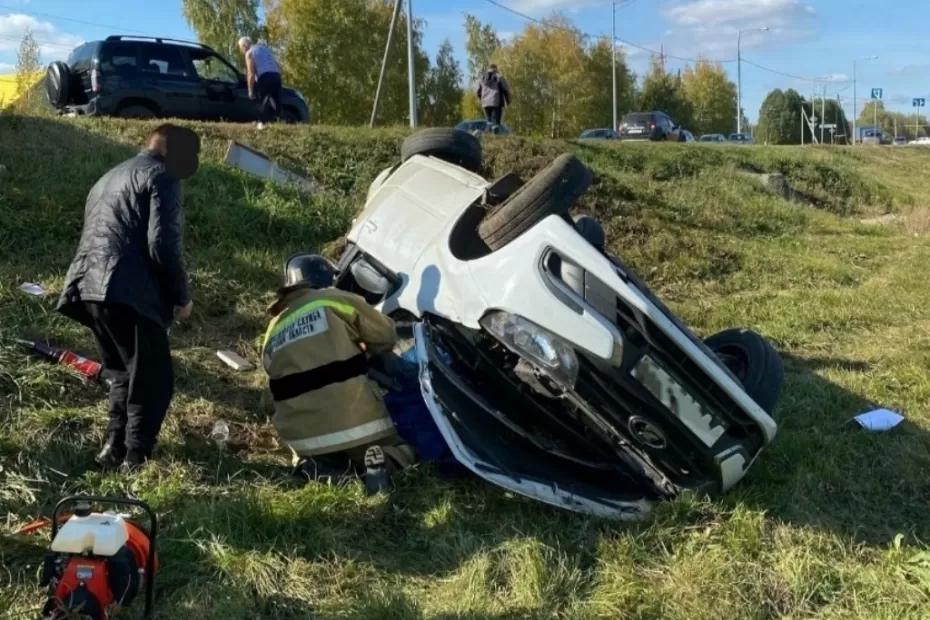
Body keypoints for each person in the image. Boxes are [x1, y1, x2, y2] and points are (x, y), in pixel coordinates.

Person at [57, 124, 200, 470]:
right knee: (152, 381)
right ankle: (136, 457)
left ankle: (113, 447)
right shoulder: (162, 177)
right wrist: (181, 296)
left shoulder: (107, 178)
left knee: (122, 373)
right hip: (130, 291)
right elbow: (162, 244)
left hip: (89, 288)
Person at [261, 254, 417, 494]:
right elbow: (386, 334)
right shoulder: (333, 299)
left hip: (303, 439)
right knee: (406, 447)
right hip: (360, 426)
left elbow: (272, 380)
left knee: (321, 452)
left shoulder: (273, 329)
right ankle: (383, 464)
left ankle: (317, 467)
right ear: (326, 278)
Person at [238, 36, 282, 129]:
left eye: (241, 48)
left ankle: (262, 123)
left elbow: (251, 74)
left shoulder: (249, 53)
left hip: (265, 77)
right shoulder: (264, 49)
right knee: (275, 100)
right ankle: (278, 122)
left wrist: (250, 91)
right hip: (276, 76)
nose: (242, 51)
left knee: (262, 99)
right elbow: (277, 65)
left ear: (245, 45)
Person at [476, 64, 512, 131]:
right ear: (495, 68)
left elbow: (478, 91)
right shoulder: (499, 77)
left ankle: (489, 136)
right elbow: (505, 89)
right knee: (496, 123)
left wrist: (481, 100)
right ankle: (496, 136)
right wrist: (508, 100)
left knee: (489, 121)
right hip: (496, 102)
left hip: (485, 103)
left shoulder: (482, 78)